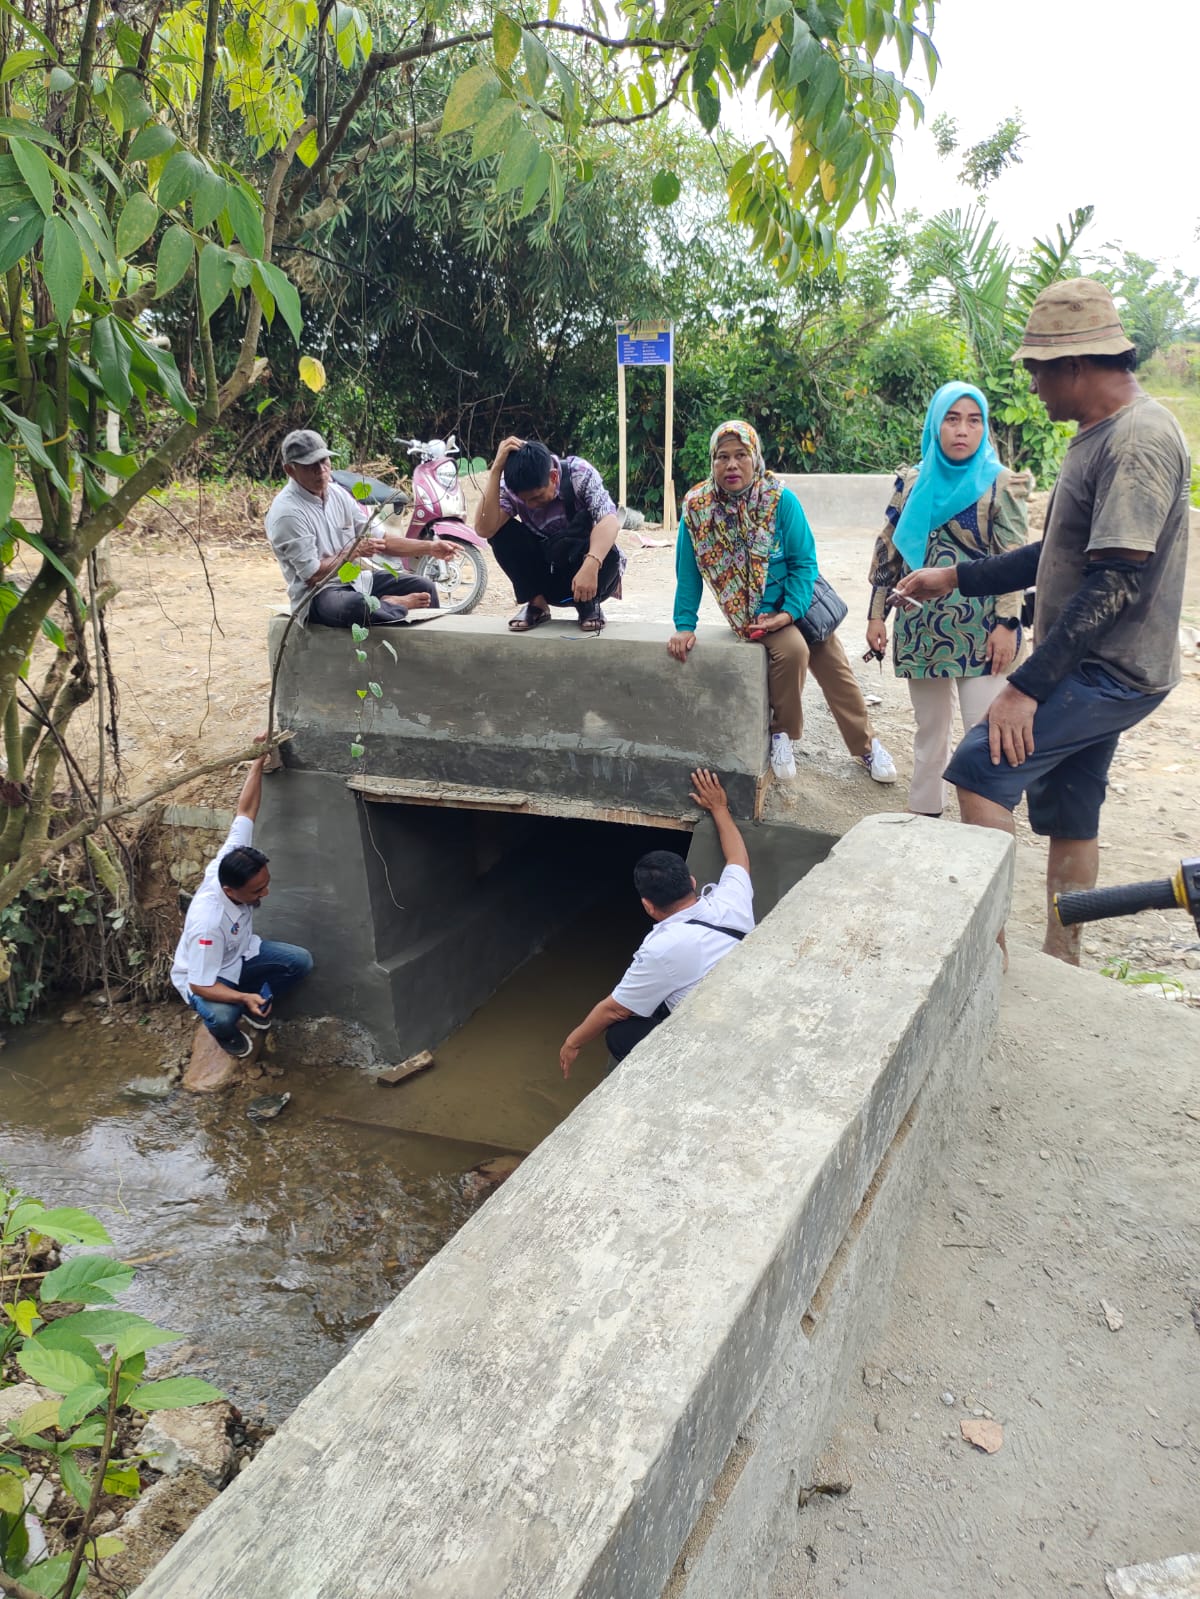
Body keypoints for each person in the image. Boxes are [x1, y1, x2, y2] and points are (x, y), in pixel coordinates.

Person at [895, 279, 1190, 963]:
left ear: (1077, 365)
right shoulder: (1097, 435)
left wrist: (1026, 686)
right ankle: (1063, 958)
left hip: (1109, 667)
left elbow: (1115, 579)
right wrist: (956, 577)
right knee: (1071, 806)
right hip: (1097, 662)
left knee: (976, 769)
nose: (1032, 386)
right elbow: (1053, 552)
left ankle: (990, 952)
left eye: (1037, 370)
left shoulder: (1139, 441)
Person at [669, 421, 897, 785]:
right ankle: (783, 734)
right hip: (752, 614)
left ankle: (866, 747)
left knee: (835, 666)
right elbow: (689, 570)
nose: (732, 465)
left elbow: (804, 561)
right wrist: (684, 625)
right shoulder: (698, 509)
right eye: (722, 457)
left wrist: (789, 610)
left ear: (755, 458)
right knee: (792, 651)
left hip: (795, 603)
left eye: (741, 455)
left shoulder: (778, 499)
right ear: (712, 463)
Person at [866, 383, 1031, 816]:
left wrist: (1007, 626)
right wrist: (876, 616)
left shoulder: (1000, 484)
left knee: (984, 734)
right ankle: (924, 820)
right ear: (935, 425)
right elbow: (889, 552)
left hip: (983, 633)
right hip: (921, 628)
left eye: (973, 420)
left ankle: (986, 834)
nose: (962, 430)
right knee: (930, 733)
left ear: (985, 427)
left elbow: (1015, 562)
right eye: (952, 419)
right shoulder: (913, 481)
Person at [558, 769, 753, 1077]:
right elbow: (737, 859)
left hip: (716, 1039)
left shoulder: (661, 949)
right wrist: (719, 808)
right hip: (749, 1007)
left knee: (620, 1035)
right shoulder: (731, 902)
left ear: (647, 906)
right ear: (691, 881)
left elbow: (615, 1009)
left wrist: (572, 1041)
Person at [170, 751, 313, 1057]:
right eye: (257, 891)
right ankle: (226, 1035)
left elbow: (245, 810)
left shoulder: (235, 855)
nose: (266, 893)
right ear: (230, 891)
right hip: (209, 975)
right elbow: (200, 985)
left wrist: (258, 761)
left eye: (266, 883)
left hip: (241, 953)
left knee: (299, 962)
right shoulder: (209, 923)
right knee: (222, 1015)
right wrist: (242, 997)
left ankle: (250, 1003)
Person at [266, 428, 457, 627]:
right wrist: (352, 553)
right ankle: (390, 605)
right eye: (310, 465)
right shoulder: (287, 513)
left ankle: (425, 646)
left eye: (324, 461)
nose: (321, 470)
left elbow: (382, 539)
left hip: (354, 580)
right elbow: (313, 576)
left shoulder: (338, 494)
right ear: (290, 470)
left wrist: (429, 548)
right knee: (358, 606)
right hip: (317, 595)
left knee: (424, 585)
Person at [474, 437, 624, 634]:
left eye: (536, 497)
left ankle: (588, 605)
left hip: (590, 576)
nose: (530, 505)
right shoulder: (512, 488)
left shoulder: (579, 473)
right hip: (547, 574)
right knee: (501, 533)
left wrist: (591, 564)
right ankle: (537, 604)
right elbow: (485, 529)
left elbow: (609, 520)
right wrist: (495, 471)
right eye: (524, 500)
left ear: (553, 478)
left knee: (609, 552)